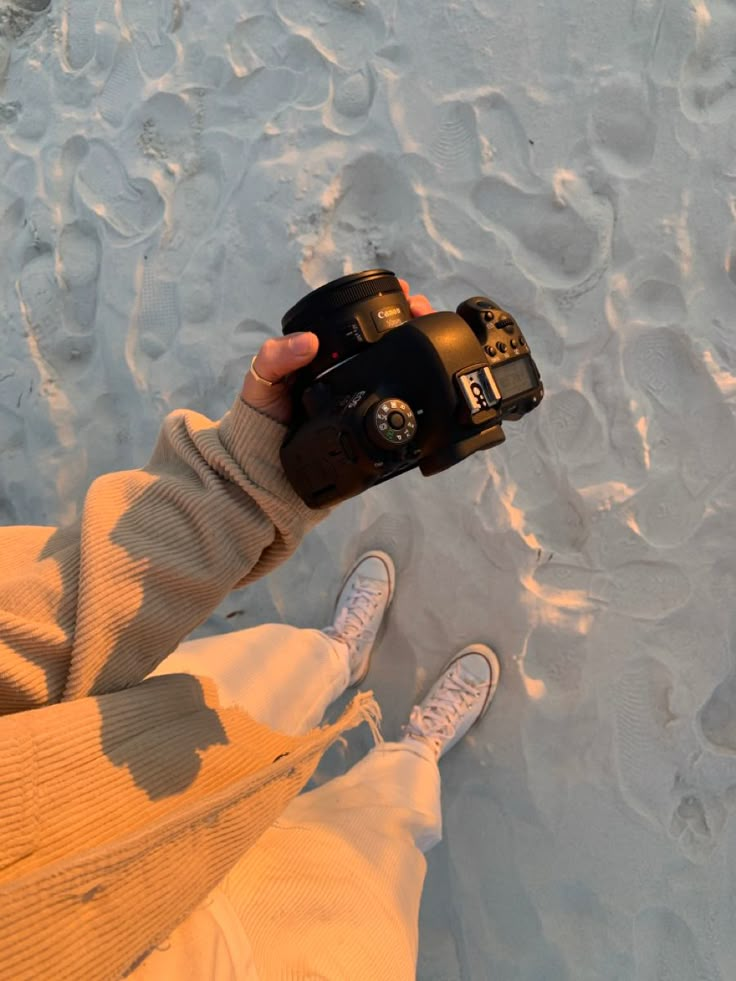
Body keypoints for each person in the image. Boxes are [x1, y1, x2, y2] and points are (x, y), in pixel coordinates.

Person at [0, 280, 500, 981]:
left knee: (249, 692)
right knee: (370, 858)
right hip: (253, 961)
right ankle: (410, 757)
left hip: (107, 758)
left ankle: (326, 657)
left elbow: (27, 631)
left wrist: (251, 484)